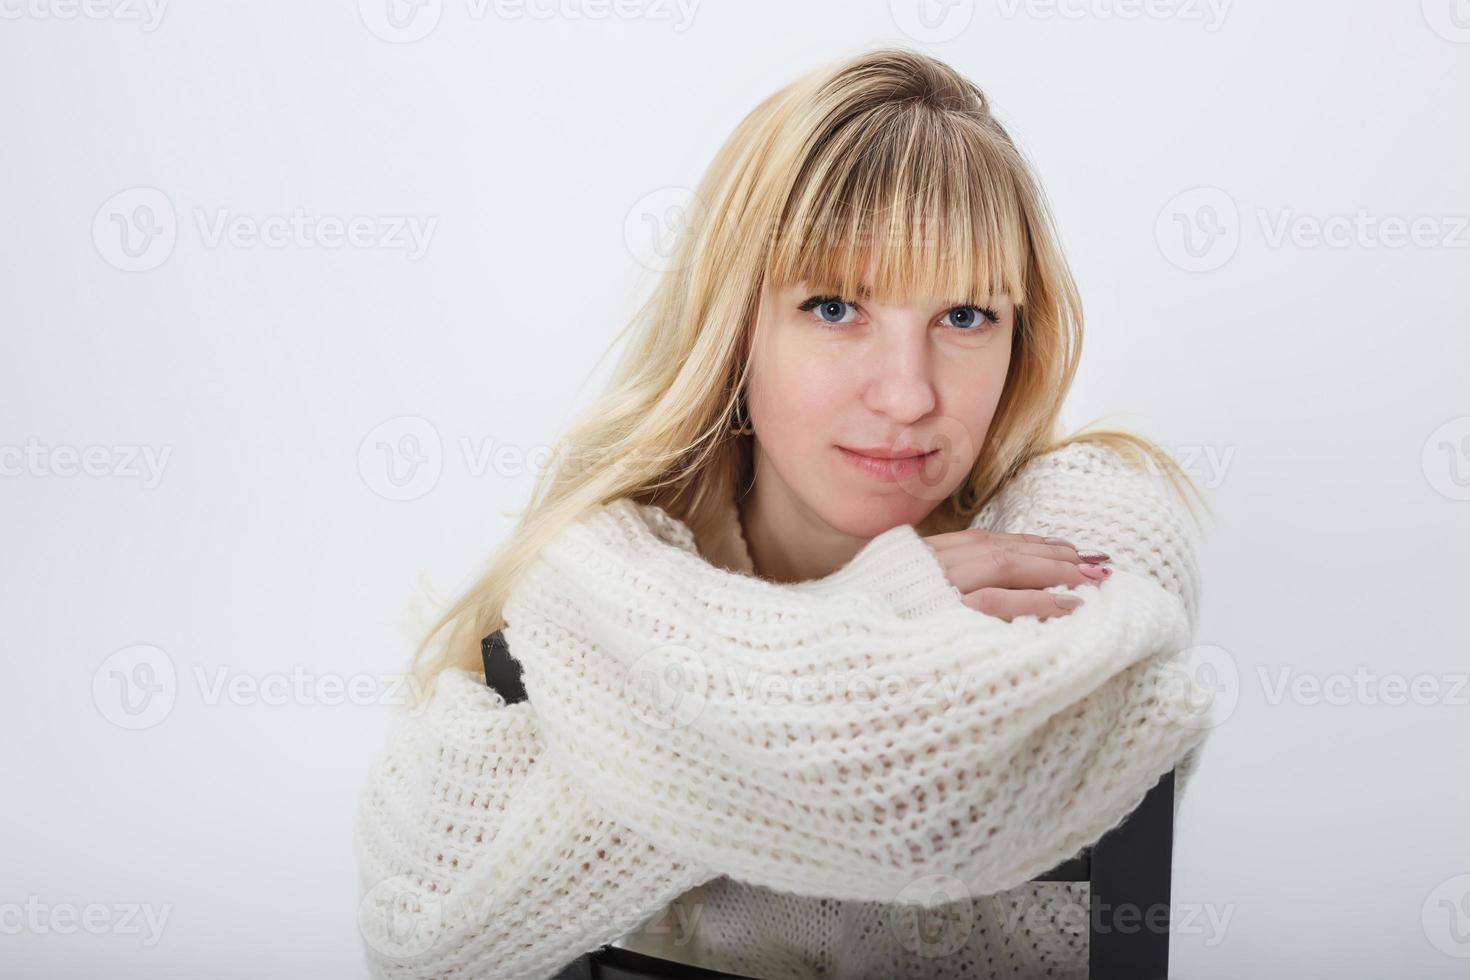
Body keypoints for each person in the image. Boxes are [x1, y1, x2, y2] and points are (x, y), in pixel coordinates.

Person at [354, 45, 1214, 980]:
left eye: (966, 316)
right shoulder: (593, 562)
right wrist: (886, 605)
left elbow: (942, 804)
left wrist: (640, 735)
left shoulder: (1094, 511)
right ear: (734, 327)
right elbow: (424, 935)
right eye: (836, 305)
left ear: (1022, 334)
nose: (907, 395)